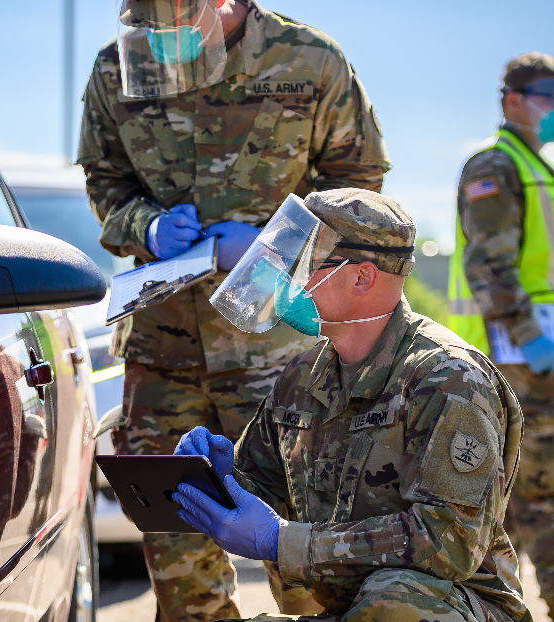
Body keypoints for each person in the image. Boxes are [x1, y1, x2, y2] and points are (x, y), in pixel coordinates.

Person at [77, 0, 391, 618]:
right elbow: (105, 182)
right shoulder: (117, 68)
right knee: (177, 559)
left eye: (171, 23)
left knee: (308, 556)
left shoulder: (311, 60)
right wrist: (149, 225)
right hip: (163, 354)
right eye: (145, 26)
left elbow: (361, 185)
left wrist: (276, 247)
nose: (158, 39)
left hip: (284, 356)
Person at [174, 188, 530, 622]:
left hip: (447, 607)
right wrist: (222, 477)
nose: (285, 278)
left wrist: (281, 541)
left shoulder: (448, 378)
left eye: (302, 263)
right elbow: (264, 495)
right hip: (343, 609)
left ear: (361, 278)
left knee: (394, 598)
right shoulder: (301, 377)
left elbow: (447, 543)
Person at [447, 52, 554, 614]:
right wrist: (527, 336)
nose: (552, 105)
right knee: (530, 501)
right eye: (545, 92)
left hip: (539, 357)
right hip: (517, 360)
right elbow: (491, 266)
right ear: (511, 99)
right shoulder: (496, 165)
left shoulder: (539, 167)